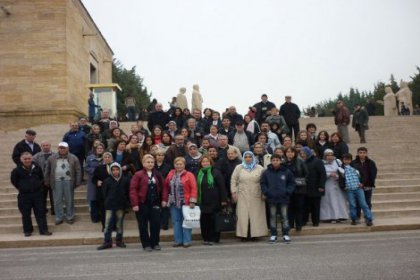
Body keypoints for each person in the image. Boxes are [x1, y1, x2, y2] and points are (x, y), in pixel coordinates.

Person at [130, 154, 167, 251]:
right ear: (143, 163)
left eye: (152, 162)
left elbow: (164, 188)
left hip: (155, 202)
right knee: (143, 225)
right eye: (148, 162)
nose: (150, 164)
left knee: (156, 224)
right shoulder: (138, 174)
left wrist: (164, 200)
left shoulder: (158, 174)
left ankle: (155, 243)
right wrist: (135, 204)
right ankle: (146, 244)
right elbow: (133, 189)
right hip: (142, 203)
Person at [11, 152, 52, 237]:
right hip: (24, 195)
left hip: (38, 195)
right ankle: (27, 230)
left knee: (40, 213)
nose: (27, 160)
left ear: (31, 159)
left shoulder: (37, 168)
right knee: (26, 214)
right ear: (21, 159)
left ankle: (43, 230)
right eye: (25, 159)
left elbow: (41, 178)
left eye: (29, 158)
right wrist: (22, 187)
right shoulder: (16, 170)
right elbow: (14, 181)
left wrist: (38, 187)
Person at [231, 151, 266, 241]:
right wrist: (233, 192)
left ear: (253, 157)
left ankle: (256, 234)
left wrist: (264, 193)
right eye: (246, 157)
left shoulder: (259, 168)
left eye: (250, 157)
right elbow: (233, 180)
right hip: (242, 194)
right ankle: (244, 235)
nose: (248, 158)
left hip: (256, 194)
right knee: (243, 215)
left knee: (256, 215)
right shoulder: (239, 168)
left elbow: (265, 181)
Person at [44, 142, 82, 225]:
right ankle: (59, 217)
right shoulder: (51, 158)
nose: (62, 149)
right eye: (60, 148)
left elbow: (78, 170)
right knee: (57, 201)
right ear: (58, 148)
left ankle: (70, 216)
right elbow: (47, 170)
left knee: (69, 200)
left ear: (67, 148)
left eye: (64, 148)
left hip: (69, 181)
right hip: (56, 181)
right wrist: (46, 181)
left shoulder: (73, 157)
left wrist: (78, 181)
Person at [261, 154, 295, 243]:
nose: (275, 162)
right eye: (273, 160)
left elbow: (292, 183)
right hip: (272, 198)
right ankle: (273, 234)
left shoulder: (287, 172)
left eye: (277, 160)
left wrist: (287, 191)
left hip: (284, 198)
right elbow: (263, 183)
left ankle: (286, 234)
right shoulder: (266, 172)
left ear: (280, 161)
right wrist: (266, 192)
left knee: (284, 216)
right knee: (272, 217)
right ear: (271, 161)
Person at [165, 157, 198, 248]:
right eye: (177, 164)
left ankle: (186, 241)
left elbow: (194, 188)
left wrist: (192, 201)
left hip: (186, 202)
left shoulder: (189, 175)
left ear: (184, 165)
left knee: (187, 222)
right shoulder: (171, 174)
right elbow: (166, 186)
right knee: (176, 222)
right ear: (174, 165)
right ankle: (178, 241)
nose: (179, 166)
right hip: (173, 202)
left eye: (181, 164)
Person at [97, 163, 131, 250]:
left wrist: (127, 205)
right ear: (111, 171)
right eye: (113, 170)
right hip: (109, 206)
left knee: (119, 224)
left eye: (117, 169)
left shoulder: (125, 180)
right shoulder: (107, 181)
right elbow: (104, 193)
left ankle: (119, 240)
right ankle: (107, 241)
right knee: (107, 225)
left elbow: (128, 192)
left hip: (121, 205)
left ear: (120, 170)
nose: (115, 171)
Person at [197, 155, 228, 245]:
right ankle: (206, 238)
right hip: (203, 201)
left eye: (207, 162)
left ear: (210, 163)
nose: (205, 163)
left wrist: (223, 200)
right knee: (204, 221)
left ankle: (214, 238)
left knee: (214, 221)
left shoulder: (216, 172)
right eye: (203, 162)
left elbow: (222, 187)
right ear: (201, 163)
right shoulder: (199, 173)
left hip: (215, 201)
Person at [341, 153, 373, 226]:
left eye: (348, 159)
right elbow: (340, 180)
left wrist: (362, 183)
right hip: (349, 190)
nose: (347, 161)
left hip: (358, 189)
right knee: (352, 205)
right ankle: (354, 219)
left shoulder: (356, 167)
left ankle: (369, 219)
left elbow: (363, 175)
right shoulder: (341, 169)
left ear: (351, 160)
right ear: (342, 160)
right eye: (345, 159)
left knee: (363, 204)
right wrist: (343, 186)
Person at [283, 147, 308, 232]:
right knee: (289, 207)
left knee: (299, 207)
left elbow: (306, 175)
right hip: (288, 189)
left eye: (291, 152)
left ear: (295, 153)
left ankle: (299, 225)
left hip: (299, 188)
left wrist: (298, 181)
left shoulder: (300, 162)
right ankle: (290, 224)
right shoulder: (283, 163)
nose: (290, 153)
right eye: (288, 152)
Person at [320, 149, 349, 222]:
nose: (330, 157)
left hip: (338, 183)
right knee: (328, 200)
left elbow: (343, 170)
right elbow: (321, 174)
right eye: (328, 155)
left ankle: (340, 216)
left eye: (331, 155)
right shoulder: (322, 163)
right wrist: (329, 174)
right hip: (328, 184)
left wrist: (339, 175)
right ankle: (328, 217)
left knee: (339, 200)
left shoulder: (337, 162)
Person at [301, 147, 326, 227]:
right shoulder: (303, 162)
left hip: (316, 187)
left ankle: (315, 222)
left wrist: (321, 186)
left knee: (315, 206)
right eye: (301, 153)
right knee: (305, 205)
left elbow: (323, 174)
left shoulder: (317, 161)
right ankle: (304, 221)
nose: (302, 155)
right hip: (306, 188)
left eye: (304, 153)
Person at [351, 147, 377, 218]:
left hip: (367, 186)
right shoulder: (353, 163)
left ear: (366, 153)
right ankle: (357, 216)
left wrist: (364, 183)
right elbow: (352, 174)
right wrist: (358, 183)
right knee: (357, 202)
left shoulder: (371, 163)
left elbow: (373, 175)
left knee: (367, 202)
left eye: (364, 153)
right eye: (360, 153)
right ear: (357, 153)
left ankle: (368, 216)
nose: (362, 154)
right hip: (357, 186)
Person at [92, 152, 114, 231]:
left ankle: (113, 226)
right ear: (103, 159)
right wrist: (97, 181)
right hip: (102, 193)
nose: (107, 158)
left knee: (113, 210)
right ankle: (105, 226)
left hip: (113, 192)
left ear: (111, 158)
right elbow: (93, 179)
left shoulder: (115, 167)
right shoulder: (99, 168)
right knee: (103, 210)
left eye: (109, 157)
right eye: (105, 157)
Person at [32, 140, 55, 215]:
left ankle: (54, 210)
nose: (45, 147)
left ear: (50, 146)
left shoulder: (56, 155)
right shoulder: (36, 156)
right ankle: (43, 210)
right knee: (42, 197)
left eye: (47, 145)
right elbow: (33, 168)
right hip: (41, 180)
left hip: (53, 180)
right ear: (41, 146)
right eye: (43, 145)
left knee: (54, 197)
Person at [85, 143, 105, 223]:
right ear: (95, 149)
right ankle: (95, 217)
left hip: (103, 181)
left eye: (101, 148)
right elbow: (86, 167)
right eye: (98, 148)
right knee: (93, 199)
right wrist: (96, 171)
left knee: (102, 199)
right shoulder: (90, 158)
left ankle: (102, 216)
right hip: (93, 181)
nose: (100, 149)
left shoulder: (106, 157)